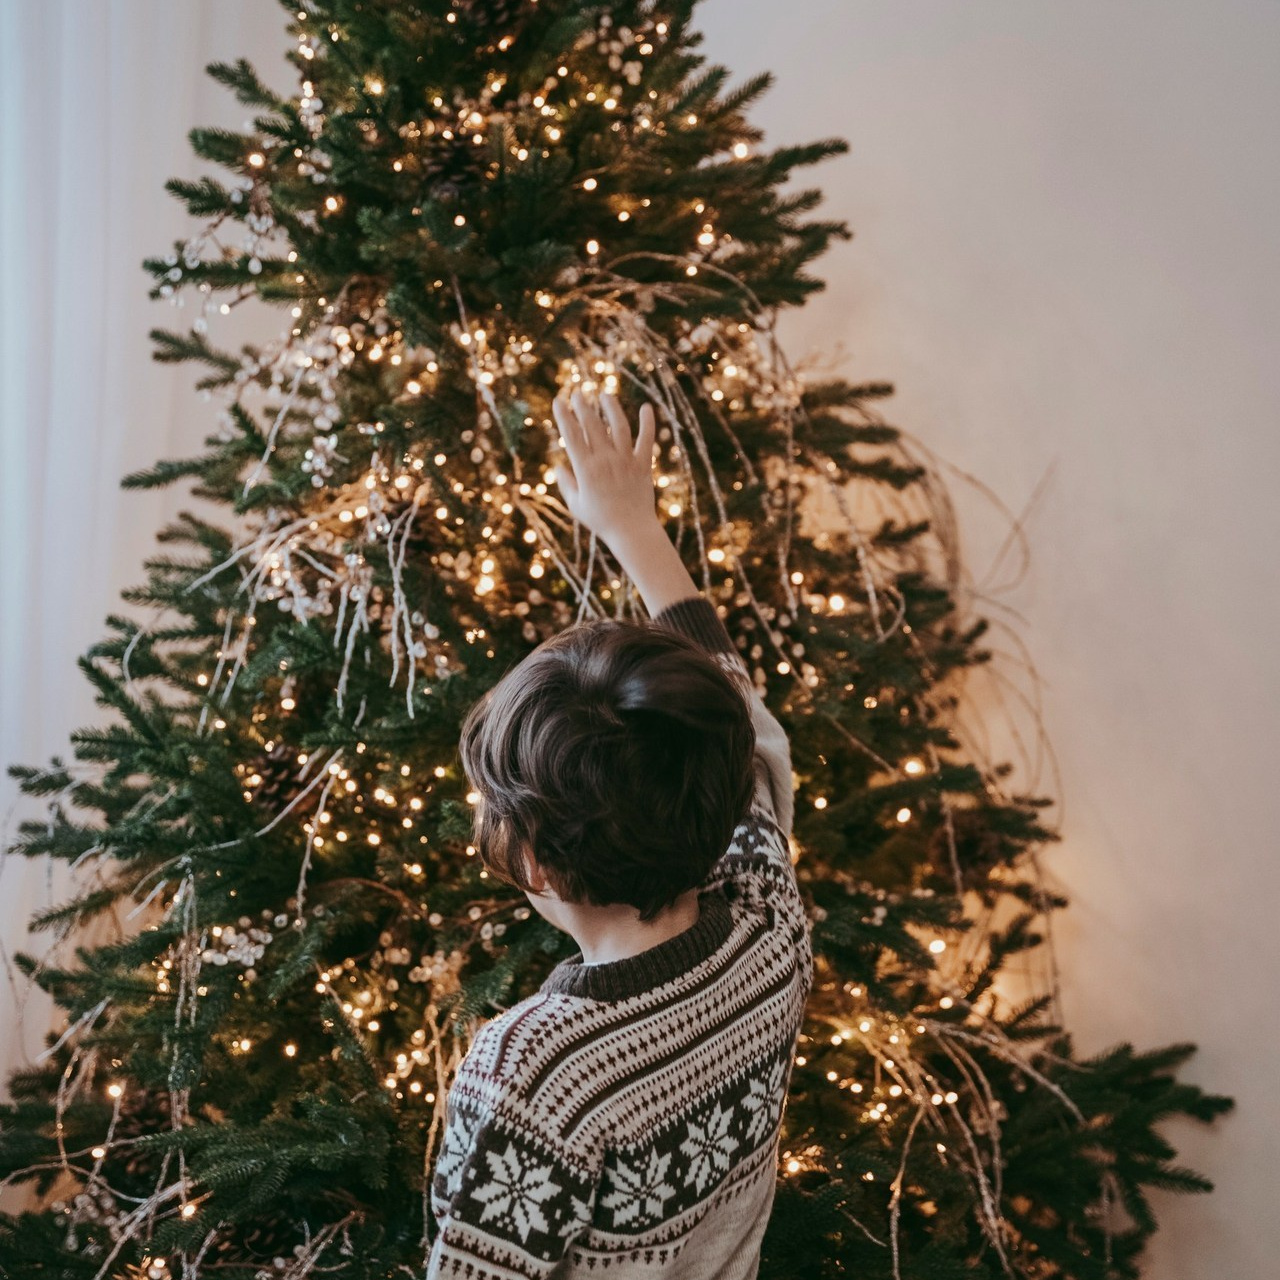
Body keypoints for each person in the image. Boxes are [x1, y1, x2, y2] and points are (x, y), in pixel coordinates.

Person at [427, 387, 813, 1278]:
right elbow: (742, 726)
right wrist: (633, 528)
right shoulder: (768, 921)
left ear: (531, 859)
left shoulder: (529, 1074)